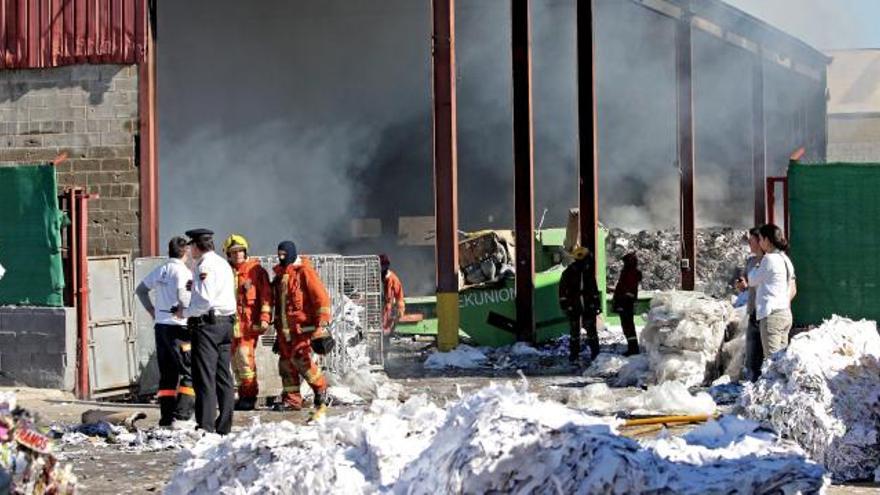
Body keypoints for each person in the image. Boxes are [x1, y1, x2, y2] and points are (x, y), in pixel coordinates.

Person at [134, 236, 195, 427]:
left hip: (161, 328)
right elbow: (183, 296)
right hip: (179, 327)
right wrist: (189, 311)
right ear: (185, 252)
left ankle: (166, 417)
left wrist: (151, 310)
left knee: (168, 374)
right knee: (189, 372)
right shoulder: (182, 272)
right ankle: (183, 416)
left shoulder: (162, 269)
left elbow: (141, 290)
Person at [272, 241, 334, 420]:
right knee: (285, 364)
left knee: (302, 361)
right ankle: (291, 400)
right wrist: (278, 334)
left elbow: (320, 298)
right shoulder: (280, 276)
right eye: (279, 254)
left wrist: (321, 324)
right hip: (285, 332)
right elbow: (280, 307)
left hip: (303, 329)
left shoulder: (304, 272)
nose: (281, 257)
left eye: (284, 254)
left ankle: (321, 390)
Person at [183, 228, 237, 435]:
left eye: (191, 247)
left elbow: (205, 299)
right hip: (226, 324)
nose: (190, 251)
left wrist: (186, 312)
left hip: (208, 325)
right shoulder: (223, 263)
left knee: (204, 376)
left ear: (197, 246)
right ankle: (224, 425)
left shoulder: (205, 265)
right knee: (224, 376)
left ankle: (205, 425)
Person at [223, 234, 272, 411]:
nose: (237, 255)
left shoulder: (256, 271)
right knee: (235, 363)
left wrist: (264, 319)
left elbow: (266, 297)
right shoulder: (224, 271)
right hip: (229, 324)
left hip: (248, 325)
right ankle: (242, 395)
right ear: (228, 254)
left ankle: (250, 397)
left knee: (245, 361)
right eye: (233, 252)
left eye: (240, 251)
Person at [750, 223, 796, 360]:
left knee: (772, 362)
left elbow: (752, 280)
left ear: (767, 241)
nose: (759, 242)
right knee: (781, 361)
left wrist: (757, 263)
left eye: (761, 239)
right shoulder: (785, 259)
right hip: (785, 312)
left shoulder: (769, 259)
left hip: (772, 316)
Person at [559, 247, 602, 362]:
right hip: (575, 304)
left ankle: (595, 353)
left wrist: (597, 304)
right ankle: (575, 355)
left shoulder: (587, 272)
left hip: (587, 304)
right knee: (575, 331)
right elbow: (562, 290)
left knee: (590, 330)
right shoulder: (569, 272)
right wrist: (565, 305)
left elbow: (594, 290)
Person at [743, 227, 764, 381]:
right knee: (752, 357)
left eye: (752, 239)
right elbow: (748, 283)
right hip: (753, 313)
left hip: (766, 314)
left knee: (768, 355)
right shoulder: (750, 262)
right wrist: (743, 286)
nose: (749, 243)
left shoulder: (771, 261)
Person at [612, 252, 642, 356]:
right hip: (626, 302)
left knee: (628, 326)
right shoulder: (630, 272)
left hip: (625, 303)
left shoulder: (629, 273)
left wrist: (620, 303)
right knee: (628, 326)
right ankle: (632, 347)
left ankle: (633, 349)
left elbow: (625, 289)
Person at [380, 254, 405, 334]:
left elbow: (397, 297)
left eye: (382, 266)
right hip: (380, 309)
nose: (380, 269)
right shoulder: (378, 277)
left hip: (389, 309)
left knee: (385, 331)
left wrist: (399, 311)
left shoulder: (392, 279)